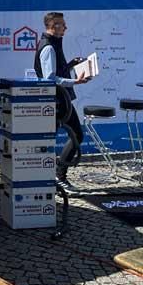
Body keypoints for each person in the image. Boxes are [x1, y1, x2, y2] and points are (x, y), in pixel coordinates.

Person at [33, 11, 90, 190]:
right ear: (52, 26)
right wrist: (76, 81)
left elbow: (57, 70)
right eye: (62, 24)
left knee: (75, 135)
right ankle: (58, 177)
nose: (65, 27)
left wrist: (72, 64)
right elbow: (50, 78)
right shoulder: (49, 47)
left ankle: (58, 175)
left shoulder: (54, 44)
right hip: (56, 101)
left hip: (61, 100)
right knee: (72, 135)